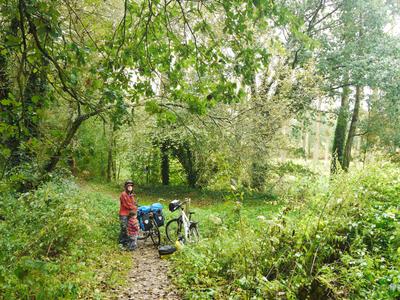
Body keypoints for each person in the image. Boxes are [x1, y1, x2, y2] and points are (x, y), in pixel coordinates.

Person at [119, 180, 138, 251]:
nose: (130, 187)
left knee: (130, 228)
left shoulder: (131, 194)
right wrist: (135, 208)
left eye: (131, 186)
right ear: (126, 186)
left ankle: (129, 243)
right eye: (128, 186)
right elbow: (127, 205)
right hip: (124, 214)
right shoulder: (123, 194)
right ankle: (121, 243)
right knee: (124, 228)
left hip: (130, 214)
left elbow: (133, 203)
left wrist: (136, 205)